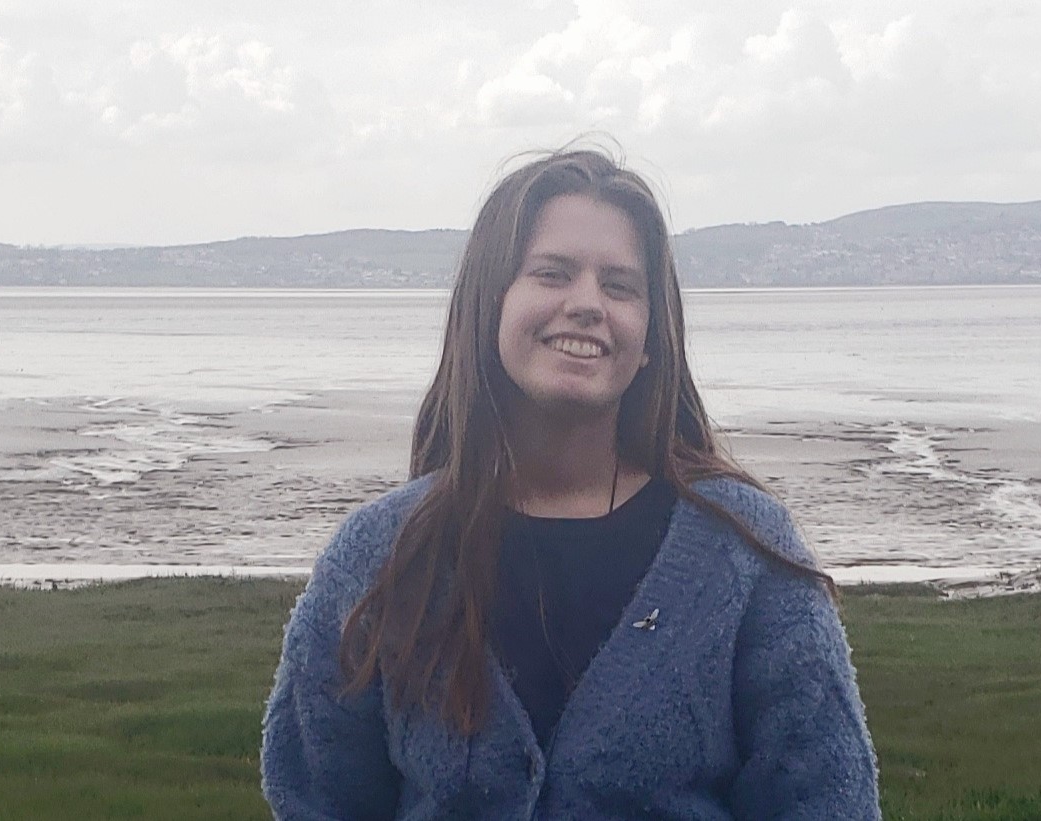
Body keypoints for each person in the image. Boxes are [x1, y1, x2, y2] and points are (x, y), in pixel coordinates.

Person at [261, 145, 880, 819]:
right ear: (489, 303)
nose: (586, 303)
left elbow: (827, 799)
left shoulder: (745, 551)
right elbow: (316, 797)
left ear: (651, 338)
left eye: (619, 286)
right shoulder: (380, 554)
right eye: (552, 273)